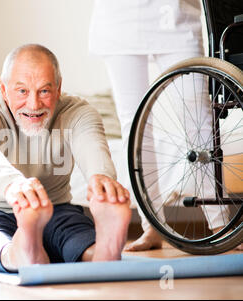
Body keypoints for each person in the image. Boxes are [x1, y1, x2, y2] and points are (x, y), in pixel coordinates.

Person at [0, 44, 131, 272]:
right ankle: (19, 252)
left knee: (73, 232)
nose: (34, 105)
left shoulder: (78, 111)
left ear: (58, 88)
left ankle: (103, 251)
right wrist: (14, 186)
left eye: (44, 91)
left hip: (55, 209)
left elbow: (92, 145)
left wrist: (101, 181)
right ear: (4, 89)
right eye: (22, 91)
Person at [88, 0, 228, 251]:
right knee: (135, 125)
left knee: (198, 119)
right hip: (118, 20)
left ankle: (220, 225)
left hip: (175, 16)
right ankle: (151, 226)